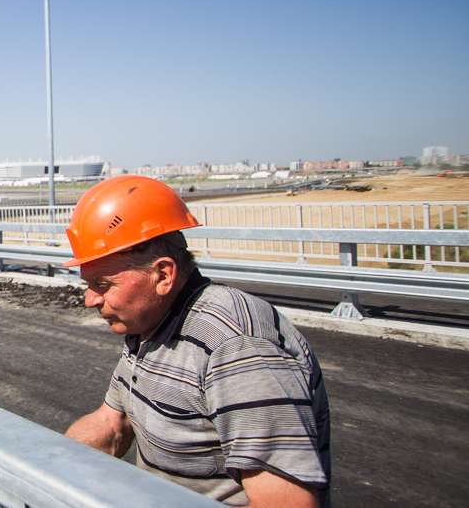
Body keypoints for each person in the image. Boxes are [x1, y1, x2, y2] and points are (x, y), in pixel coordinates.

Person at [61, 176, 331, 507]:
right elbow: (113, 424)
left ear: (162, 275)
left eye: (103, 283)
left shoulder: (237, 350)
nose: (90, 299)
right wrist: (50, 463)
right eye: (88, 283)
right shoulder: (150, 326)